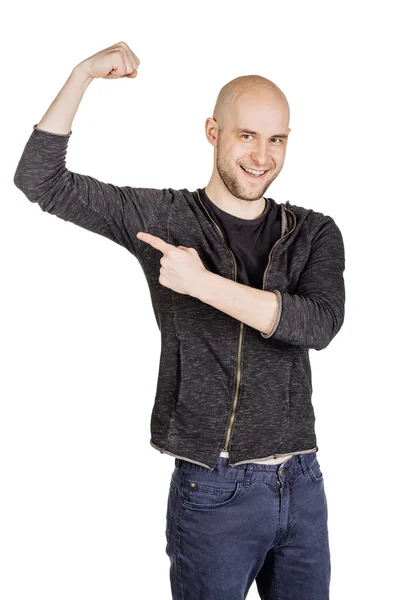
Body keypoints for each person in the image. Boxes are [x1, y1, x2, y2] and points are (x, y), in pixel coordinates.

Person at [13, 41, 346, 600]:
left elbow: (318, 326)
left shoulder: (314, 231)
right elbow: (39, 180)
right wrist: (82, 74)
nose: (262, 155)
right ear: (213, 132)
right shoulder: (163, 218)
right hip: (214, 489)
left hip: (303, 482)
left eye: (277, 139)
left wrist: (202, 284)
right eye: (247, 135)